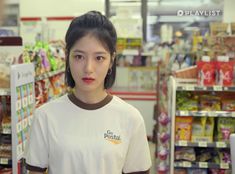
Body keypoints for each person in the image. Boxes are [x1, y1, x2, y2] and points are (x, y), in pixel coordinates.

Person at [25, 11, 152, 174]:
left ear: (112, 60)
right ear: (67, 57)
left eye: (99, 58)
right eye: (79, 57)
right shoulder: (45, 117)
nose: (88, 68)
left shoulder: (131, 118)